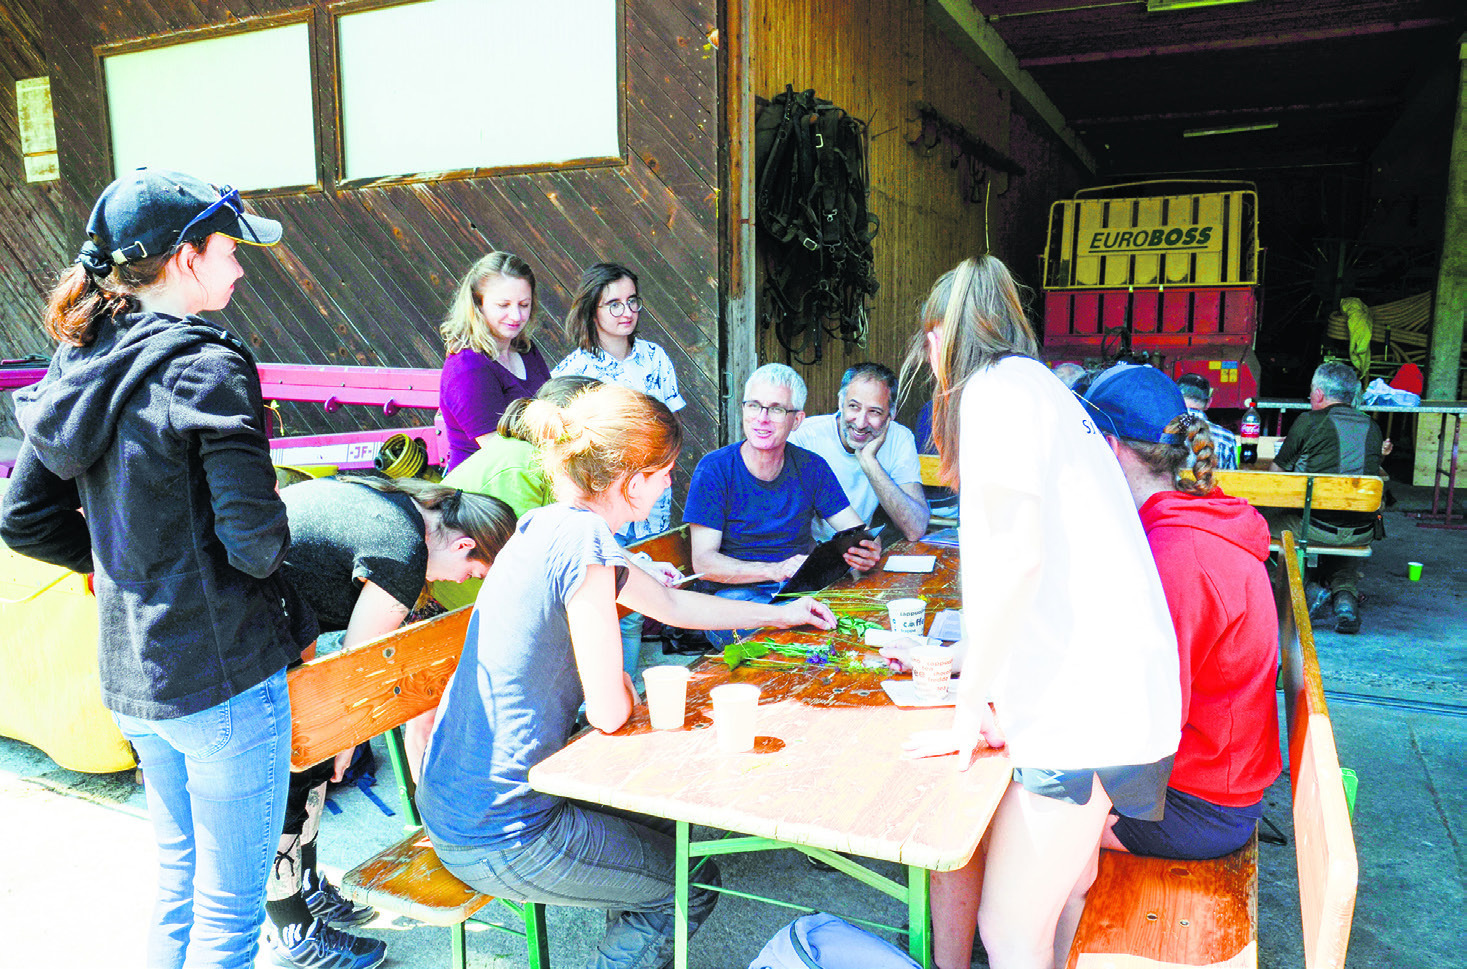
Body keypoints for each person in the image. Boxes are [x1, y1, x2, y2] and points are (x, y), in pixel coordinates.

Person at [0, 168, 316, 969]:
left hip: (134, 679)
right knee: (228, 920)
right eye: (228, 249)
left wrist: (123, 569)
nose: (241, 266)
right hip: (224, 681)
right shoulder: (206, 365)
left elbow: (23, 517)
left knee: (180, 888)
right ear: (183, 259)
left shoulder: (82, 360)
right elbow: (255, 544)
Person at [415, 384, 836, 969]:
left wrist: (783, 613)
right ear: (632, 480)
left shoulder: (546, 524)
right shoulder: (584, 542)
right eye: (665, 472)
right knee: (688, 882)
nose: (670, 483)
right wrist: (618, 690)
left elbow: (675, 607)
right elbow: (610, 713)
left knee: (676, 834)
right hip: (502, 829)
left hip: (459, 802)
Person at [899, 256, 1181, 969]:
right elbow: (1049, 565)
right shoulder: (1045, 390)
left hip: (1083, 711)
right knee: (1065, 895)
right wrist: (982, 666)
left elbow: (1017, 558)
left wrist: (967, 706)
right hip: (1127, 694)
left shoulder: (991, 393)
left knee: (1006, 930)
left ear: (939, 338)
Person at [264, 476, 515, 969]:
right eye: (472, 571)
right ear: (463, 543)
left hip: (277, 615)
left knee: (313, 765)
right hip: (243, 624)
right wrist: (343, 738)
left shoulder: (401, 511)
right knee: (293, 778)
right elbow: (358, 668)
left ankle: (309, 891)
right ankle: (290, 930)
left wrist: (336, 738)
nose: (462, 582)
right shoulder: (403, 550)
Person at [1082, 364, 1282, 860]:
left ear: (1108, 449)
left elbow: (1142, 719)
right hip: (1209, 781)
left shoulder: (1178, 556)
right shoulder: (1193, 514)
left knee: (1023, 811)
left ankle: (1032, 937)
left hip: (1196, 806)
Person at [683, 363, 882, 646]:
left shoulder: (811, 467)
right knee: (783, 642)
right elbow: (704, 562)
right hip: (732, 599)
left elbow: (854, 531)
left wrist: (866, 550)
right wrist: (774, 570)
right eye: (754, 406)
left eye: (776, 409)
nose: (762, 418)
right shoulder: (715, 469)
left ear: (797, 420)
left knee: (850, 632)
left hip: (795, 591)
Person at [551, 262, 686, 542]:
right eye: (614, 304)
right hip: (604, 512)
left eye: (632, 301)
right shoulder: (573, 371)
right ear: (592, 310)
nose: (626, 312)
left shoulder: (654, 358)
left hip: (653, 505)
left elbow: (674, 425)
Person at [1267, 361, 1383, 633]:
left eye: (1311, 392)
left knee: (1256, 526)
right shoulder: (1373, 427)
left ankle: (1307, 590)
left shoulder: (1309, 421)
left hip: (1315, 528)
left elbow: (1275, 477)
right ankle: (1344, 598)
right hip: (1362, 530)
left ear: (1318, 394)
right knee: (1342, 522)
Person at [788, 362, 930, 542]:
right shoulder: (803, 437)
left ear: (891, 414)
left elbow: (915, 528)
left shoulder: (900, 438)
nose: (861, 423)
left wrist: (870, 462)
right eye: (854, 406)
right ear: (840, 402)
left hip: (857, 549)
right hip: (808, 553)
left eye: (874, 412)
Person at [439, 251, 551, 472]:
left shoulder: (525, 349)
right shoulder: (467, 368)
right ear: (478, 305)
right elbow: (502, 456)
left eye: (524, 304)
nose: (516, 316)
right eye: (503, 305)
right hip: (484, 494)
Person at [1176, 373, 1238, 470]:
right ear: (1209, 402)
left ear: (1175, 398)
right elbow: (1233, 481)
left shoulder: (1160, 432)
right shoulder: (1227, 439)